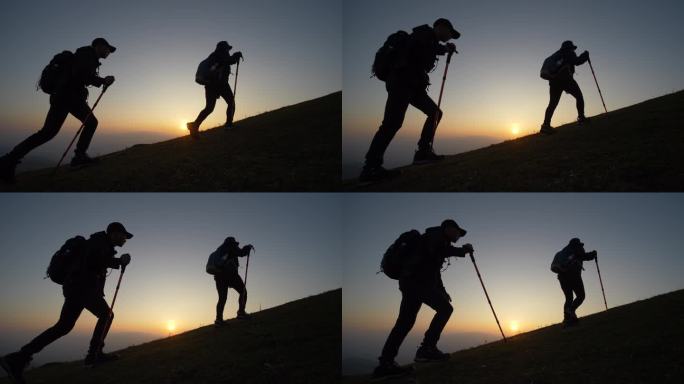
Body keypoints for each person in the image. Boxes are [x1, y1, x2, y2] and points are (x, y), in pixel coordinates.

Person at [0, 222, 133, 383]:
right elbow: (93, 260)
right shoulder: (99, 242)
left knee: (63, 326)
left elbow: (94, 262)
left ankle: (17, 359)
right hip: (81, 288)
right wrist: (118, 261)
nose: (125, 239)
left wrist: (114, 262)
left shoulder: (100, 244)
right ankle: (94, 355)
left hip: (75, 288)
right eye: (123, 235)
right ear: (114, 233)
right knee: (106, 314)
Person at [0, 38, 117, 183]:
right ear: (99, 46)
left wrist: (99, 80)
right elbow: (79, 73)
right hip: (68, 97)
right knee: (55, 131)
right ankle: (78, 157)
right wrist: (102, 81)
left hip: (65, 96)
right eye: (107, 49)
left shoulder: (85, 56)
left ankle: (8, 161)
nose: (108, 52)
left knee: (49, 132)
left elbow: (81, 74)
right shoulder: (86, 55)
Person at [360, 18, 460, 183]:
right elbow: (422, 47)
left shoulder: (430, 40)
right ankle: (370, 168)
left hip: (413, 85)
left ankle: (423, 152)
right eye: (450, 33)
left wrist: (443, 49)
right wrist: (443, 49)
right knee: (392, 123)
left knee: (435, 113)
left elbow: (427, 50)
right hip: (401, 82)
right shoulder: (423, 33)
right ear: (441, 27)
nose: (450, 36)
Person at [373, 219, 474, 379]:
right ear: (447, 228)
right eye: (457, 231)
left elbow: (435, 272)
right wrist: (463, 251)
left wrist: (443, 291)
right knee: (445, 310)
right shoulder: (435, 237)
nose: (458, 235)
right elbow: (441, 252)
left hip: (411, 282)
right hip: (416, 283)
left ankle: (385, 363)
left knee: (404, 323)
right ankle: (427, 349)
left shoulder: (436, 242)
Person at [187, 41, 243, 139]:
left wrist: (233, 57)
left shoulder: (212, 57)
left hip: (210, 85)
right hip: (220, 84)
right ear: (223, 48)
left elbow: (225, 62)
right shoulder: (219, 55)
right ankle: (229, 125)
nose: (228, 50)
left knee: (209, 108)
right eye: (227, 48)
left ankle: (194, 126)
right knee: (231, 102)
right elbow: (228, 61)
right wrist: (235, 56)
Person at [540, 40, 590, 134]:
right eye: (572, 48)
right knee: (579, 96)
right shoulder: (568, 53)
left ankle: (545, 126)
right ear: (569, 48)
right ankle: (581, 118)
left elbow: (543, 73)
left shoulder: (553, 56)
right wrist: (585, 55)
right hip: (566, 80)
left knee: (552, 104)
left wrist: (553, 77)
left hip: (554, 82)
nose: (573, 50)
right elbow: (577, 61)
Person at [212, 236, 253, 326]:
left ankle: (218, 320)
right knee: (243, 292)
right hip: (230, 275)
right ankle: (241, 313)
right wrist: (248, 247)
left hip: (219, 277)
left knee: (222, 298)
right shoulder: (230, 247)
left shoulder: (219, 250)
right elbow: (241, 253)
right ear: (232, 243)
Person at [555, 238, 597, 326]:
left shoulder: (559, 253)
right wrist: (593, 254)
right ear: (576, 244)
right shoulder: (575, 249)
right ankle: (571, 311)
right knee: (581, 296)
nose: (581, 246)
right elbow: (585, 256)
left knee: (569, 298)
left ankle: (567, 319)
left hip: (562, 278)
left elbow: (553, 266)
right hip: (574, 275)